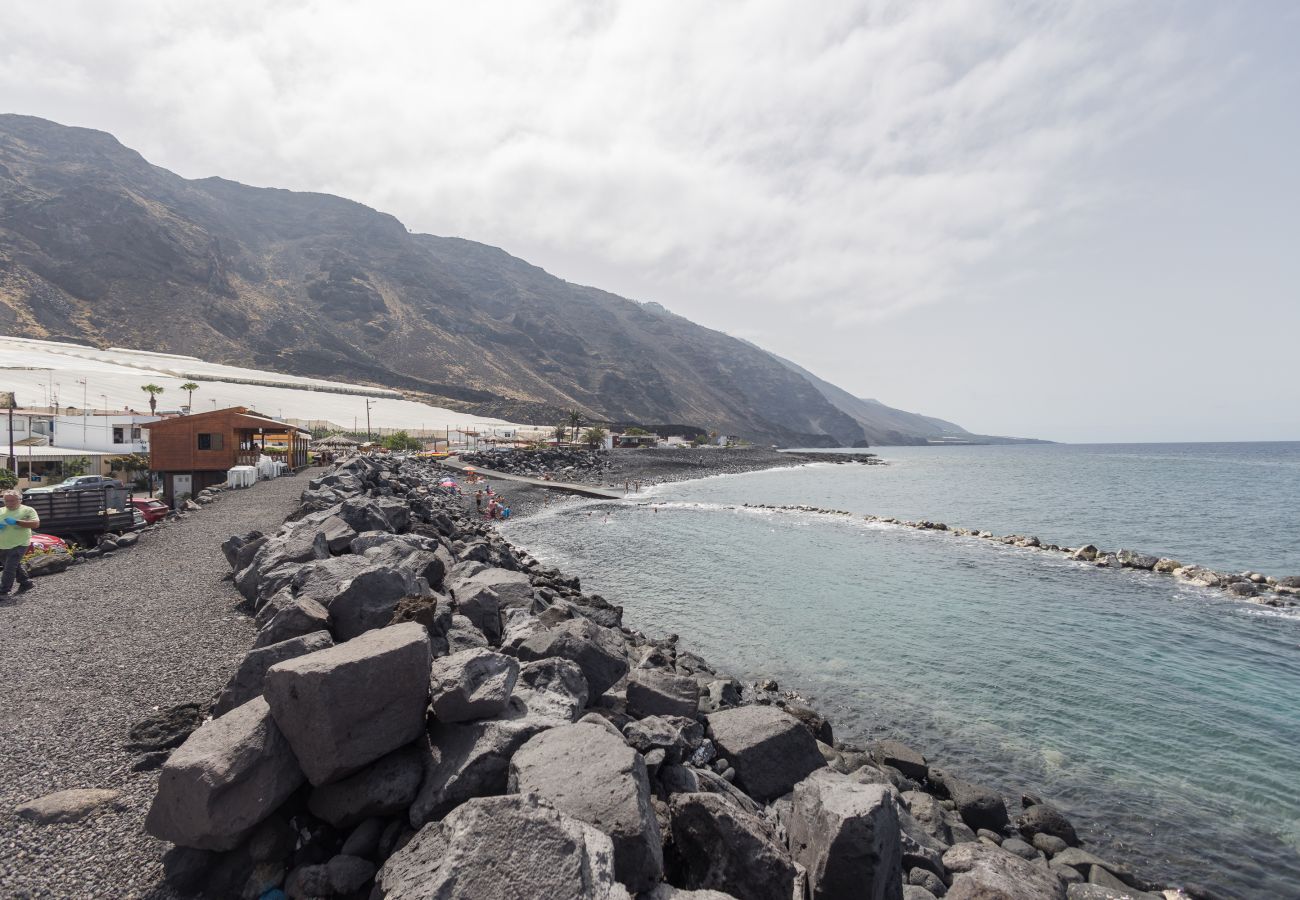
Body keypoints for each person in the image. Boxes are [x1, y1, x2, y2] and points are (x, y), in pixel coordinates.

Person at [1, 488, 40, 596]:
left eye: (12, 501)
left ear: (20, 500)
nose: (9, 503)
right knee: (14, 565)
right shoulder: (1, 511)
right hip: (3, 544)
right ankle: (26, 583)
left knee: (9, 568)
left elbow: (35, 524)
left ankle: (4, 591)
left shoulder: (28, 510)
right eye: (6, 501)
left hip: (20, 543)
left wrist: (17, 522)